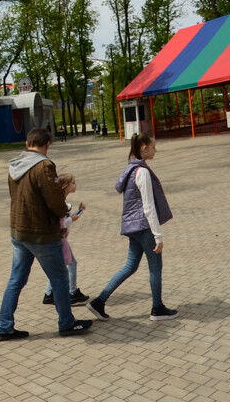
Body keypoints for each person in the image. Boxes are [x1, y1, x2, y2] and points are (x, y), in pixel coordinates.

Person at [0, 127, 94, 341]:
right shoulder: (44, 166)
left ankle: (5, 327)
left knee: (16, 279)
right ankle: (67, 323)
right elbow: (55, 201)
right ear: (47, 144)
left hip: (19, 231)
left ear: (27, 143)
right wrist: (64, 212)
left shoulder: (14, 166)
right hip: (41, 233)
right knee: (59, 278)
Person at [87, 132, 178, 321]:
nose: (155, 150)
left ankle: (99, 301)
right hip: (144, 227)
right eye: (153, 147)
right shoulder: (142, 172)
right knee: (155, 267)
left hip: (133, 227)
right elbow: (148, 206)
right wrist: (158, 236)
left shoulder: (131, 169)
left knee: (130, 266)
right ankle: (157, 308)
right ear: (144, 148)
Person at [42, 173, 88, 306]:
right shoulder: (61, 203)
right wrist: (71, 218)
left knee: (58, 266)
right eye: (73, 183)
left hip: (60, 237)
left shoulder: (62, 202)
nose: (75, 185)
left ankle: (49, 294)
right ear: (65, 186)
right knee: (70, 263)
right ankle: (72, 292)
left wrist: (79, 212)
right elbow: (61, 223)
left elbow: (66, 220)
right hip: (59, 238)